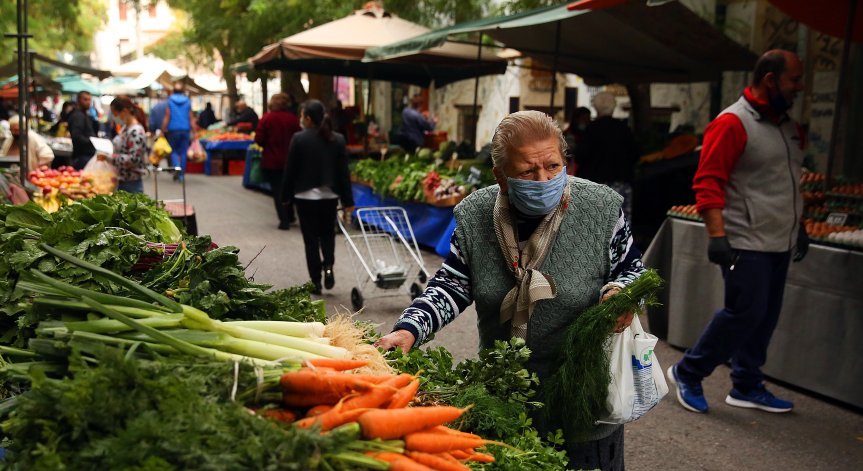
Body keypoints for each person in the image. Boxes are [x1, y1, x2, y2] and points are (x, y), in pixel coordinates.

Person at [376, 110, 647, 470]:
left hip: (583, 392)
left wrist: (621, 294)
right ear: (501, 177)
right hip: (504, 393)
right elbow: (452, 284)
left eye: (553, 166)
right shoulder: (475, 217)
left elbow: (633, 271)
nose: (544, 178)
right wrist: (410, 329)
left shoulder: (601, 208)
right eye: (527, 172)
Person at [666, 50, 807, 415]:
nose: (800, 88)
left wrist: (799, 225)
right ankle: (688, 371)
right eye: (794, 80)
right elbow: (708, 181)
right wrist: (717, 236)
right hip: (745, 239)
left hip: (780, 240)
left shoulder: (787, 127)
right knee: (744, 312)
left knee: (766, 315)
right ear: (771, 80)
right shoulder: (732, 122)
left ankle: (746, 384)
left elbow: (785, 184)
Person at [282, 100, 354, 295]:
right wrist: (349, 201)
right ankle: (328, 266)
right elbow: (343, 173)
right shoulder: (337, 139)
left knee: (311, 240)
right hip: (329, 197)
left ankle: (316, 281)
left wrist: (285, 196)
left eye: (302, 115)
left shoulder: (298, 139)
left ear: (307, 118)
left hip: (304, 197)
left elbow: (290, 170)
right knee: (328, 235)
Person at [574, 92, 639, 220]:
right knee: (619, 225)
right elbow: (635, 155)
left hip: (593, 186)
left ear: (596, 108)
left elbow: (580, 156)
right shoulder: (623, 129)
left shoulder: (591, 130)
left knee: (594, 224)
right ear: (613, 107)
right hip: (621, 184)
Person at [254, 93, 301, 230]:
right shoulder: (293, 119)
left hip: (272, 161)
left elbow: (259, 139)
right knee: (290, 188)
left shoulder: (267, 118)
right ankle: (291, 215)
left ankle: (284, 220)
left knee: (277, 190)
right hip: (291, 161)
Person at [103, 97, 148, 193]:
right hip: (122, 181)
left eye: (115, 114)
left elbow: (133, 159)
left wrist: (109, 157)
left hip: (131, 184)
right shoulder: (125, 128)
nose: (115, 118)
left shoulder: (136, 131)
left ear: (124, 111)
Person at [161, 81, 195, 181]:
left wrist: (163, 129)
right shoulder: (187, 101)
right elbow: (191, 117)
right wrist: (195, 131)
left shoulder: (170, 100)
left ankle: (176, 166)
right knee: (184, 152)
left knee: (174, 151)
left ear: (173, 91)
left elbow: (167, 116)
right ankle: (181, 174)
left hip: (173, 129)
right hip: (185, 129)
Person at [67, 91, 97, 170]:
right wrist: (92, 141)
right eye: (85, 99)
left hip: (86, 156)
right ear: (78, 100)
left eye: (89, 100)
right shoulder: (78, 116)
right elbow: (76, 136)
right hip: (81, 157)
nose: (88, 102)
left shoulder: (84, 114)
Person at [563, 106, 592, 175]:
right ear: (576, 119)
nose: (587, 121)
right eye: (584, 119)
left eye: (588, 119)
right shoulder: (568, 134)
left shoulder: (589, 133)